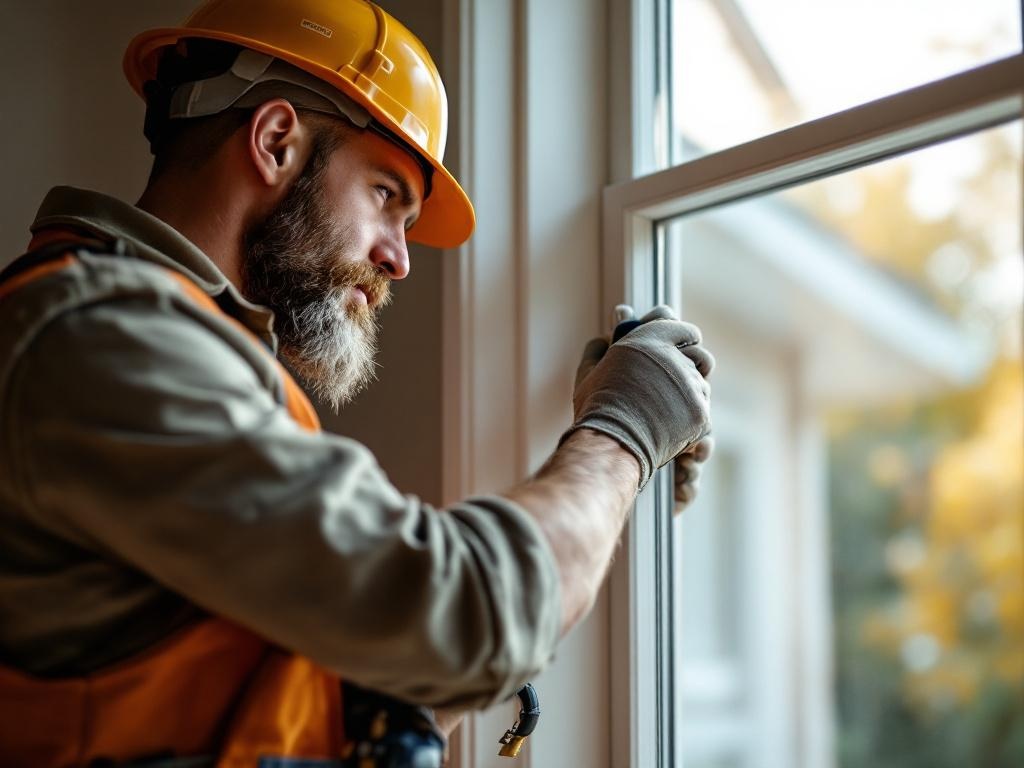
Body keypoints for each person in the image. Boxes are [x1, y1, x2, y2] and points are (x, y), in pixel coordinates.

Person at [0, 0, 714, 765]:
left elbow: (265, 697)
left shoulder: (161, 343)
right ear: (275, 142)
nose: (400, 259)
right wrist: (623, 432)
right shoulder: (107, 342)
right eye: (386, 196)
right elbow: (464, 615)